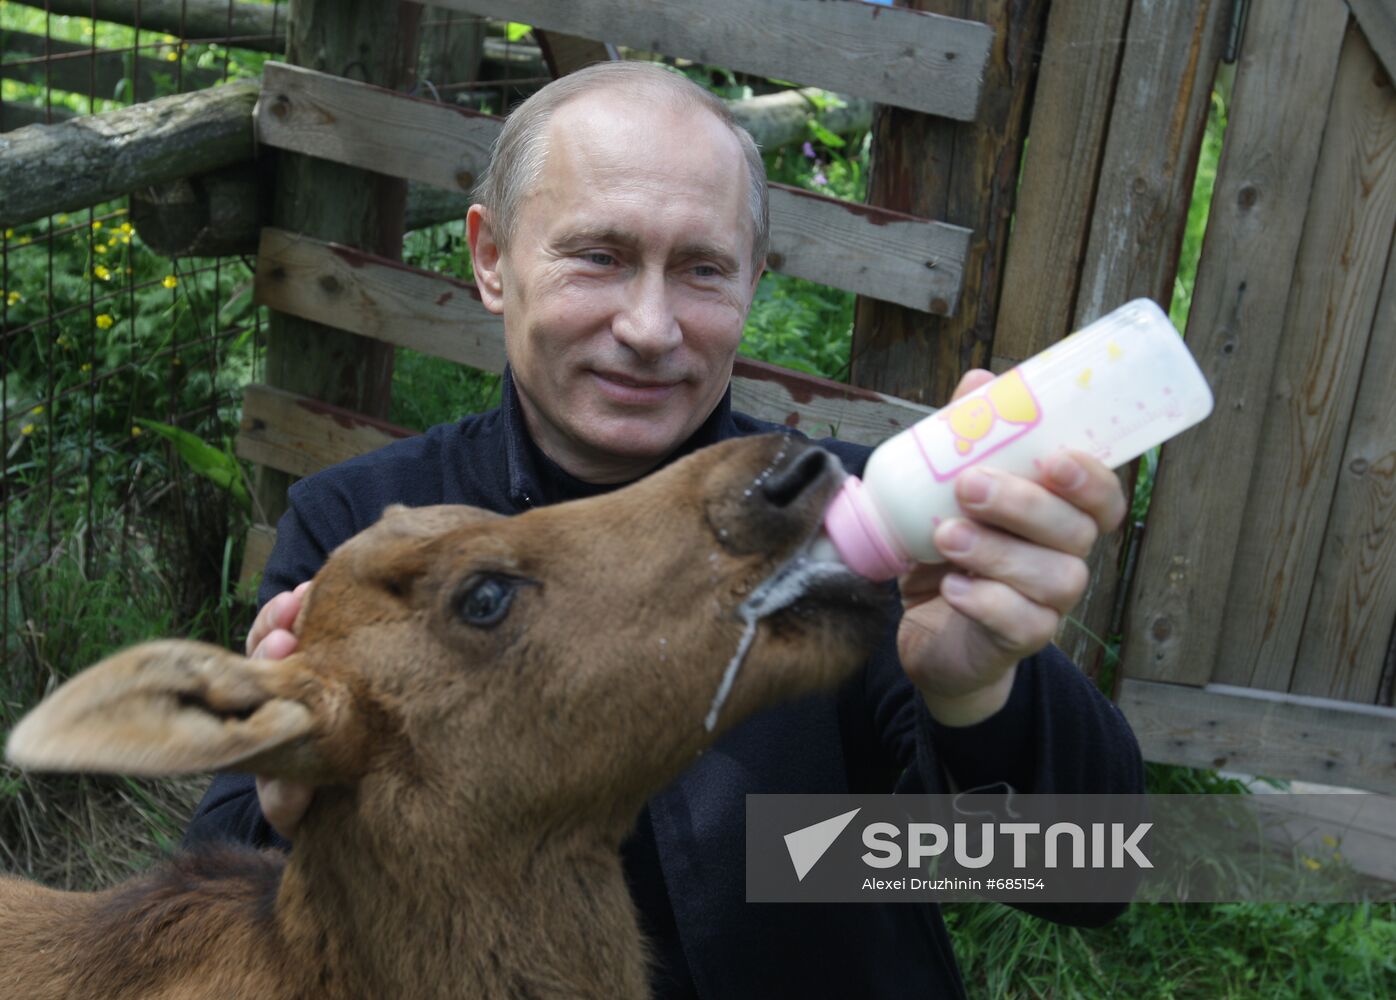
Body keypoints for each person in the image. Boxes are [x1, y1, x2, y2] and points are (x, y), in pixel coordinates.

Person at [186, 61, 1143, 997]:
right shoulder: (364, 531)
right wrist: (298, 795)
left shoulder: (850, 519)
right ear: (491, 258)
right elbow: (228, 901)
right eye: (598, 256)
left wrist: (980, 695)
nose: (650, 326)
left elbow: (1094, 876)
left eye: (701, 270)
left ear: (752, 283)